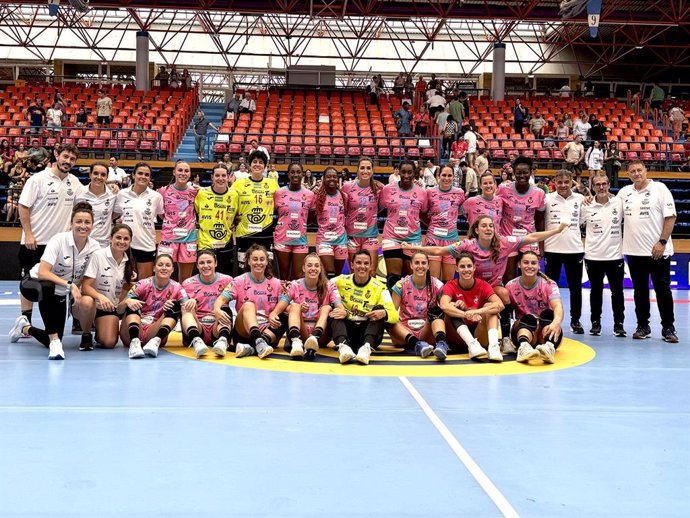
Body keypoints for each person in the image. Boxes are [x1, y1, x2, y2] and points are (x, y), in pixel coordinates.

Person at [406, 215, 566, 354]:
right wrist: (416, 248)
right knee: (452, 303)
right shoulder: (467, 245)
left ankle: (504, 339)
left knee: (503, 293)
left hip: (491, 290)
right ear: (476, 230)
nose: (488, 228)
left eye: (491, 225)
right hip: (472, 289)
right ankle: (454, 336)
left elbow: (531, 238)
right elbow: (440, 251)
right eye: (484, 226)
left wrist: (557, 231)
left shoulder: (504, 242)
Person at [9, 203, 101, 359]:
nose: (83, 226)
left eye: (87, 222)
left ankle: (25, 328)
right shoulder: (58, 240)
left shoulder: (94, 247)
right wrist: (70, 286)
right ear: (71, 223)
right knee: (47, 287)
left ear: (92, 225)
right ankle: (55, 343)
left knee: (54, 335)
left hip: (60, 292)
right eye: (78, 221)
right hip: (33, 283)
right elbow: (43, 271)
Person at [16, 143, 84, 333]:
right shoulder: (38, 179)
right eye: (65, 157)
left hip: (59, 246)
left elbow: (85, 204)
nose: (68, 162)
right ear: (56, 155)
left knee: (53, 286)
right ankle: (24, 320)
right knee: (29, 284)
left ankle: (65, 321)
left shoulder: (75, 183)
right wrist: (28, 234)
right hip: (35, 242)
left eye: (72, 159)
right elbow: (23, 206)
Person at [618, 160, 677, 342]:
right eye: (632, 171)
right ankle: (643, 326)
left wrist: (662, 242)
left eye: (639, 170)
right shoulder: (624, 193)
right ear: (628, 174)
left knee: (662, 290)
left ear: (646, 171)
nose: (636, 174)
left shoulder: (660, 188)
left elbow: (671, 217)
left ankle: (668, 328)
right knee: (640, 291)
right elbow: (608, 208)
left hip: (657, 251)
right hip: (634, 252)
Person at [212, 245, 286, 359]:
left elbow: (285, 302)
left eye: (262, 259)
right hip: (243, 332)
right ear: (249, 261)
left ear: (267, 261)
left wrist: (275, 313)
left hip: (267, 331)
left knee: (287, 313)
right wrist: (217, 310)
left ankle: (251, 349)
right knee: (248, 305)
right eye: (255, 259)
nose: (258, 263)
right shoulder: (239, 281)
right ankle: (258, 341)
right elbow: (221, 299)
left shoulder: (276, 283)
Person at [330, 250, 399, 365]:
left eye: (366, 263)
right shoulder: (340, 281)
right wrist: (341, 308)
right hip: (348, 331)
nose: (362, 266)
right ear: (352, 265)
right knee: (333, 311)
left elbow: (394, 315)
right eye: (358, 263)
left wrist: (384, 313)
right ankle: (343, 347)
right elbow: (323, 285)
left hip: (368, 332)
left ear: (371, 266)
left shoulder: (380, 287)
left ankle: (366, 349)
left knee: (380, 308)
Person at [274, 253, 345, 360]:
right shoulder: (295, 284)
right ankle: (296, 342)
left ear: (321, 268)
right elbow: (283, 303)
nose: (313, 268)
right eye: (310, 265)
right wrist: (275, 313)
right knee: (295, 306)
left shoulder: (329, 285)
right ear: (303, 268)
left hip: (321, 335)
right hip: (301, 331)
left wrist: (343, 311)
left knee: (327, 308)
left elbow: (339, 305)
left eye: (316, 266)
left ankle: (314, 337)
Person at [580, 174, 625, 337]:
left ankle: (619, 324)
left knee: (617, 292)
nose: (601, 187)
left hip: (615, 256)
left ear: (609, 185)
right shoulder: (585, 206)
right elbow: (574, 224)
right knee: (595, 291)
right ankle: (595, 323)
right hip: (593, 256)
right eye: (597, 184)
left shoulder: (619, 203)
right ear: (593, 187)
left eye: (604, 184)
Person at [543, 170, 586, 334]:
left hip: (574, 250)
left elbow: (584, 222)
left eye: (566, 182)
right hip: (551, 249)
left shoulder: (581, 200)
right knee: (550, 290)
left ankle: (576, 321)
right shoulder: (547, 199)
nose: (562, 185)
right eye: (559, 182)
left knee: (576, 288)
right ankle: (550, 320)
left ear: (571, 182)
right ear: (554, 181)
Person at [121, 254, 189, 359]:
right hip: (132, 329)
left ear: (172, 269)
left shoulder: (178, 288)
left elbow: (187, 309)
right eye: (160, 265)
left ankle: (156, 341)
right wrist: (127, 301)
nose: (164, 268)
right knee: (132, 302)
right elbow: (118, 310)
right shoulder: (142, 284)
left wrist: (190, 302)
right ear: (154, 268)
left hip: (154, 330)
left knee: (175, 306)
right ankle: (134, 343)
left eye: (167, 265)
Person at [80, 224, 136, 349]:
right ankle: (86, 333)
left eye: (126, 239)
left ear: (130, 241)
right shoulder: (98, 256)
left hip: (110, 308)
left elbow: (126, 288)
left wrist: (120, 307)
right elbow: (85, 287)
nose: (122, 242)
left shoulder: (129, 261)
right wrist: (100, 297)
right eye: (118, 237)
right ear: (111, 238)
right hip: (93, 304)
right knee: (87, 301)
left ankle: (101, 330)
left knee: (109, 342)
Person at [439, 253, 504, 361]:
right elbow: (444, 305)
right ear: (456, 269)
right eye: (462, 266)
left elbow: (500, 304)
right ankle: (471, 344)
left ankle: (493, 347)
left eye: (469, 266)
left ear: (474, 267)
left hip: (479, 332)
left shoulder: (483, 285)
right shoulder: (450, 285)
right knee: (451, 306)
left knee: (491, 307)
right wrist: (466, 314)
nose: (466, 269)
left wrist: (478, 311)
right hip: (457, 335)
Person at [506, 251, 564, 364]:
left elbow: (558, 306)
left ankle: (548, 347)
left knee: (549, 314)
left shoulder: (549, 284)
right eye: (526, 262)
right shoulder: (510, 286)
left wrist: (556, 323)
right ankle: (524, 347)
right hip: (523, 330)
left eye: (533, 263)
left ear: (538, 266)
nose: (529, 266)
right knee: (528, 318)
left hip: (544, 331)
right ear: (519, 264)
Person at [389, 252, 449, 360]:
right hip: (404, 334)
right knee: (388, 317)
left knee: (437, 311)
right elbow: (392, 313)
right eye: (417, 263)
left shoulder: (437, 284)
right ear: (411, 265)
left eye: (423, 263)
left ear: (428, 265)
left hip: (426, 332)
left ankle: (442, 344)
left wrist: (456, 304)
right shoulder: (401, 285)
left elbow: (446, 306)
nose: (420, 266)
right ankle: (417, 344)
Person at [379, 160, 428, 289]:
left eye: (409, 172)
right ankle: (393, 308)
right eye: (403, 172)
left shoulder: (422, 192)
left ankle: (407, 307)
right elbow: (376, 208)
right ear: (398, 172)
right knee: (394, 278)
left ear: (414, 173)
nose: (406, 175)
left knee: (409, 278)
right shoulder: (388, 189)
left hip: (413, 237)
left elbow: (424, 213)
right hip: (391, 236)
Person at [496, 156, 546, 283]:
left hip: (528, 239)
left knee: (529, 276)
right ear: (513, 172)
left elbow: (540, 220)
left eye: (525, 172)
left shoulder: (539, 193)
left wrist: (541, 246)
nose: (522, 176)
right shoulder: (503, 189)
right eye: (518, 173)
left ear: (531, 172)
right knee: (509, 277)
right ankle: (509, 303)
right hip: (508, 238)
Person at [113, 162, 164, 280]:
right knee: (122, 282)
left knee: (144, 284)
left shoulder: (156, 196)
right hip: (124, 244)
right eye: (140, 173)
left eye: (147, 174)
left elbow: (164, 217)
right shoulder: (122, 194)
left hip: (146, 244)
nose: (143, 176)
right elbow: (114, 214)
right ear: (133, 175)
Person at [180, 249, 234, 358]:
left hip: (217, 326)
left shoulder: (227, 280)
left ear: (216, 263)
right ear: (197, 266)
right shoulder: (188, 283)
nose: (206, 266)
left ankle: (223, 340)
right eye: (201, 263)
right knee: (186, 308)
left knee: (225, 309)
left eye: (209, 262)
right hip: (198, 326)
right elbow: (179, 304)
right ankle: (196, 341)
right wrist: (190, 302)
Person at [231, 149, 279, 269]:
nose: (257, 164)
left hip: (266, 232)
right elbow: (229, 204)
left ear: (265, 166)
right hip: (244, 234)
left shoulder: (273, 184)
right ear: (250, 164)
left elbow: (281, 205)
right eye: (255, 161)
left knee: (265, 268)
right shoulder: (238, 184)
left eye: (261, 162)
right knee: (244, 268)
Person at [273, 162, 315, 280]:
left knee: (298, 277)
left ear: (302, 174)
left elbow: (312, 218)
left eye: (298, 172)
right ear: (288, 174)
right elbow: (272, 212)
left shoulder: (310, 195)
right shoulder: (279, 193)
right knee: (283, 276)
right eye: (292, 172)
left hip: (300, 240)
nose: (295, 175)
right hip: (282, 239)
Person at [423, 165, 465, 282]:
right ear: (438, 176)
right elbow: (423, 213)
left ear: (453, 177)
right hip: (433, 239)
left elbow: (462, 210)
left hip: (451, 240)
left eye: (450, 175)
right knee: (433, 280)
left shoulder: (459, 193)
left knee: (448, 280)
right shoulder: (429, 192)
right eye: (444, 175)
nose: (447, 178)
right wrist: (431, 224)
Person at [194, 163, 238, 275]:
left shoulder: (234, 196)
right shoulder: (202, 194)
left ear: (228, 177)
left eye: (223, 176)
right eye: (217, 175)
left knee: (225, 279)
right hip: (205, 244)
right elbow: (195, 213)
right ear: (212, 177)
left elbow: (238, 216)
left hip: (226, 243)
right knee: (206, 278)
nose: (220, 179)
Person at [157, 161, 198, 281]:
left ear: (190, 174)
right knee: (163, 274)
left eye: (186, 171)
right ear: (174, 172)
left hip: (189, 239)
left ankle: (182, 299)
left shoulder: (195, 192)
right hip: (168, 238)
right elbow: (161, 214)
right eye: (180, 170)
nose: (183, 173)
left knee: (186, 278)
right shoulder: (163, 191)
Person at [342, 158, 382, 275]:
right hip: (352, 236)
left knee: (371, 272)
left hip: (370, 236)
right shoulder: (347, 187)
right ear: (357, 170)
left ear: (372, 171)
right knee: (353, 272)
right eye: (362, 168)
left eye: (368, 168)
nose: (365, 171)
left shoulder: (379, 188)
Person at [312, 167, 348, 278]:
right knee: (329, 273)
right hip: (324, 240)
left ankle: (334, 295)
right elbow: (312, 218)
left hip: (341, 239)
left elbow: (345, 214)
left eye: (334, 176)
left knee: (337, 276)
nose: (331, 179)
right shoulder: (317, 196)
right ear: (323, 179)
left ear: (338, 179)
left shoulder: (344, 196)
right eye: (328, 176)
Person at [75, 162, 117, 248]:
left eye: (103, 174)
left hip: (102, 244)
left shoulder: (113, 194)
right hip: (81, 242)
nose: (99, 177)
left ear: (107, 177)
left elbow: (117, 213)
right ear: (90, 174)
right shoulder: (78, 192)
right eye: (95, 173)